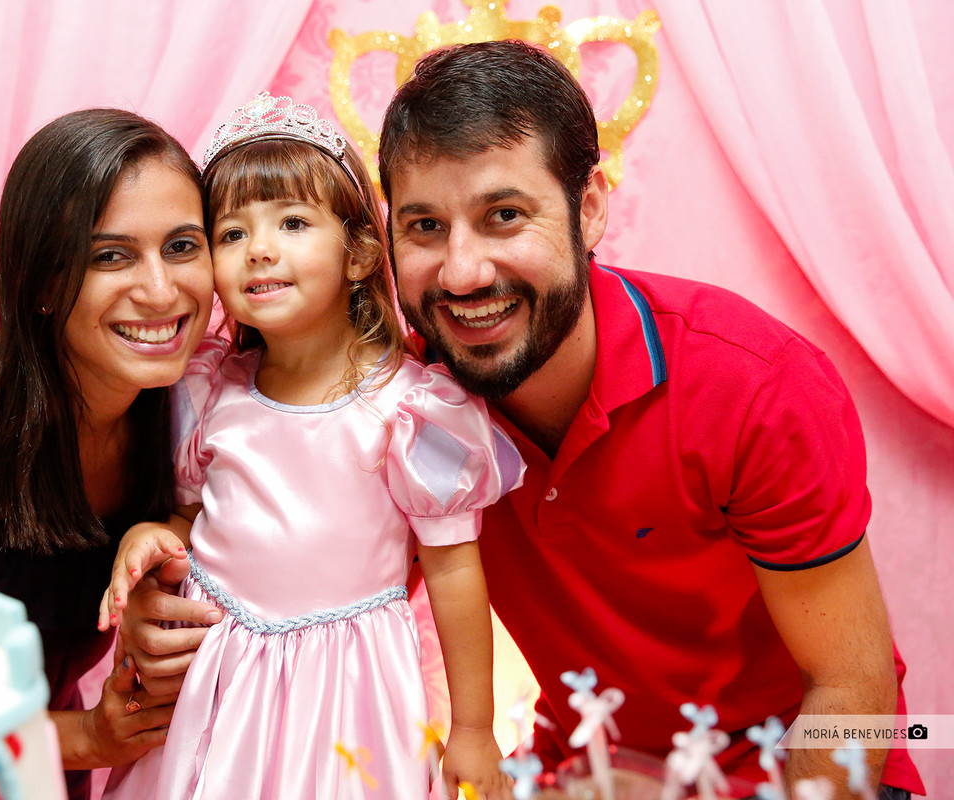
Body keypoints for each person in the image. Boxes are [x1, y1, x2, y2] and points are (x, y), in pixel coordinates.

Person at [375, 41, 923, 800]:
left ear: (589, 208)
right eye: (425, 227)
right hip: (594, 770)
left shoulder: (753, 385)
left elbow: (850, 687)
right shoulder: (405, 409)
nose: (463, 272)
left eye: (504, 216)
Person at [99, 92, 522, 800]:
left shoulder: (411, 411)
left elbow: (452, 572)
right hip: (217, 677)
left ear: (359, 252)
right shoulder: (210, 391)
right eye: (231, 233)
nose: (259, 249)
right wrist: (154, 537)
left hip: (346, 689)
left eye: (292, 223)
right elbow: (190, 520)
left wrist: (474, 730)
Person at [0, 108, 215, 800]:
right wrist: (85, 736)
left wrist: (161, 569)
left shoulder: (186, 401)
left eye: (182, 246)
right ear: (40, 284)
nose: (161, 291)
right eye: (110, 256)